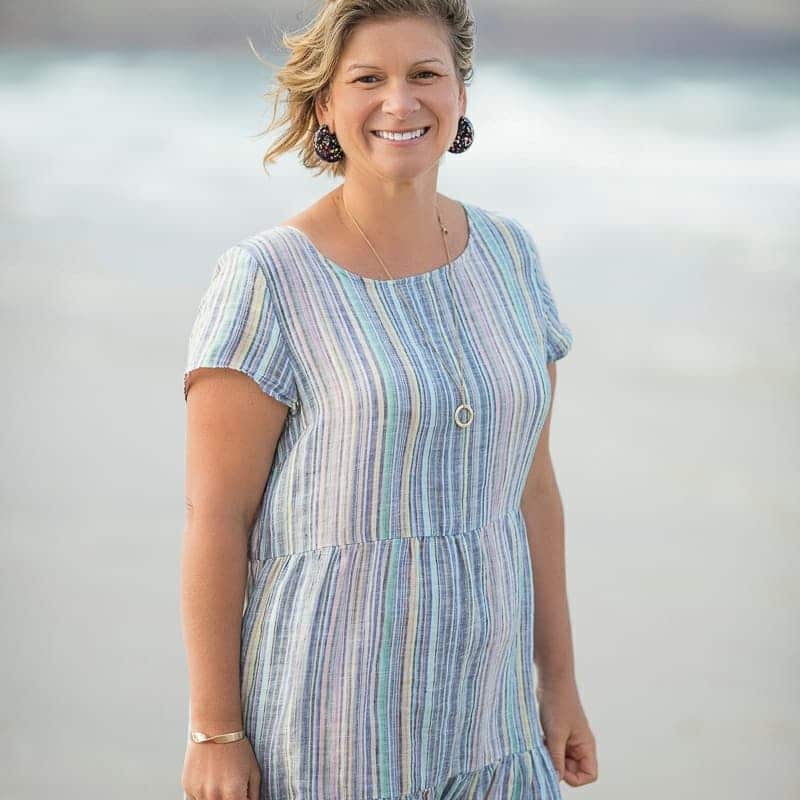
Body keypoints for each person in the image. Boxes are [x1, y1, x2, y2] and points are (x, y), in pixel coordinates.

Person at [180, 1, 598, 798]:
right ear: (325, 106)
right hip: (333, 726)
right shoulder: (268, 278)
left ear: (460, 95)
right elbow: (215, 519)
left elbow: (533, 489)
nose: (400, 102)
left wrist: (560, 684)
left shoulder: (511, 255)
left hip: (494, 717)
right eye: (367, 79)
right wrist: (215, 730)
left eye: (425, 75)